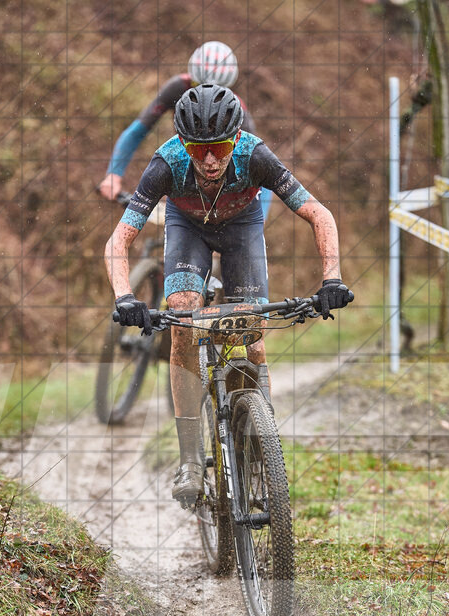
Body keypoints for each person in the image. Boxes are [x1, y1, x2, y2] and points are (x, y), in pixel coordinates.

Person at [104, 84, 352, 506]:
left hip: (242, 229)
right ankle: (189, 457)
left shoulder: (255, 155)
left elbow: (318, 213)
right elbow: (118, 240)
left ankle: (260, 437)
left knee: (249, 330)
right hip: (188, 229)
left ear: (235, 138)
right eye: (199, 151)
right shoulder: (166, 163)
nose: (211, 159)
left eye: (219, 146)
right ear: (183, 143)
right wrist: (125, 296)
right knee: (182, 317)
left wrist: (332, 278)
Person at [98, 41, 271, 219]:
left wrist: (258, 222)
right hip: (184, 175)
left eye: (217, 93)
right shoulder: (177, 88)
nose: (205, 97)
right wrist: (114, 175)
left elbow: (263, 169)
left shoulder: (237, 109)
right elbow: (137, 131)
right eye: (199, 86)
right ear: (191, 78)